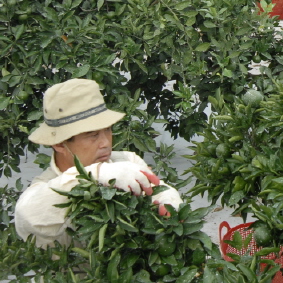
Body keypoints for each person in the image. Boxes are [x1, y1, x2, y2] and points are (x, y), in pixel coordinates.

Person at [15, 79, 182, 248]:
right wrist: (95, 174)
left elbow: (157, 191)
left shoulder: (126, 162)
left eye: (108, 130)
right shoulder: (44, 189)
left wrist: (167, 199)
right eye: (92, 134)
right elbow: (27, 216)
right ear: (59, 143)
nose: (106, 143)